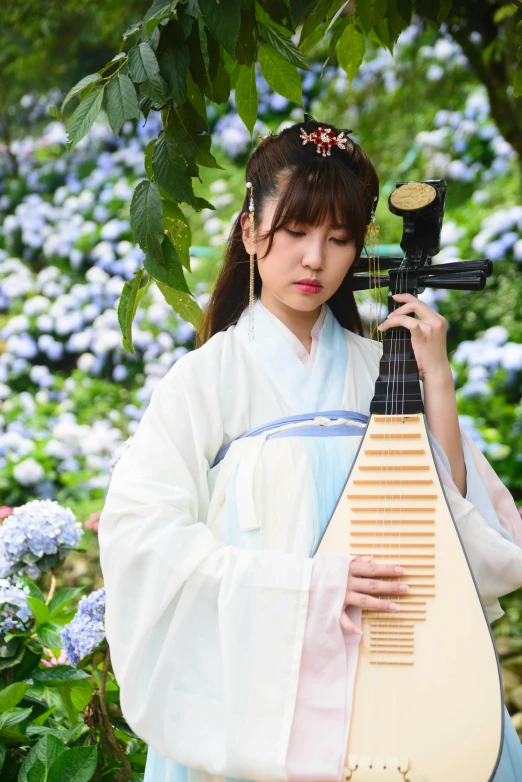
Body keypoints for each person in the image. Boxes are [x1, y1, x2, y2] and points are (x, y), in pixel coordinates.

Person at [98, 120, 522, 782]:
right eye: (295, 232)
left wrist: (436, 378)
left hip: (391, 679)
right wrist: (301, 588)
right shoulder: (204, 382)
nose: (314, 260)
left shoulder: (379, 368)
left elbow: (458, 533)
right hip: (260, 690)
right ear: (250, 232)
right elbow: (141, 534)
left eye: (339, 238)